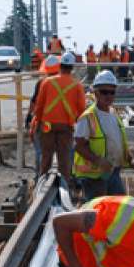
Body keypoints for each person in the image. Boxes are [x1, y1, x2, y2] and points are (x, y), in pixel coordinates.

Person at [73, 70, 134, 199]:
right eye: (104, 92)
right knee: (97, 213)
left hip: (113, 172)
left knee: (119, 207)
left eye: (112, 92)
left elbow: (120, 142)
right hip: (94, 177)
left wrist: (131, 158)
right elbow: (79, 146)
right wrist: (98, 161)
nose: (108, 96)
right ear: (95, 93)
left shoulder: (114, 114)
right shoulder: (88, 117)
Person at [32, 51, 85, 183]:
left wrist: (38, 122)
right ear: (72, 67)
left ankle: (42, 184)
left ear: (60, 66)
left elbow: (39, 105)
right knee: (64, 160)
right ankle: (65, 187)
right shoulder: (77, 85)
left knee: (46, 157)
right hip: (66, 126)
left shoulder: (47, 82)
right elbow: (81, 110)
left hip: (47, 125)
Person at [25, 55, 61, 172]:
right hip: (61, 123)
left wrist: (29, 117)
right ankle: (66, 179)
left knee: (41, 152)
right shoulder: (64, 83)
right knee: (64, 152)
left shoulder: (41, 83)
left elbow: (34, 102)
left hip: (43, 123)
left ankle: (39, 178)